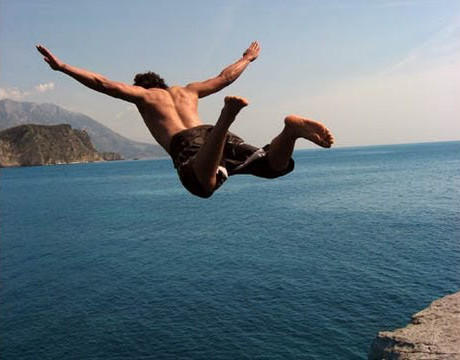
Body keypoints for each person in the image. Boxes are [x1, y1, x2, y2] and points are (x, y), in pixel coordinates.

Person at [36, 42, 334, 198]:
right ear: (163, 82)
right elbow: (224, 78)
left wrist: (63, 67)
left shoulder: (145, 96)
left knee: (202, 186)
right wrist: (246, 58)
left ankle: (225, 118)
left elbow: (104, 84)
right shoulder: (188, 91)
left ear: (141, 86)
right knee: (273, 167)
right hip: (212, 138)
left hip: (191, 145)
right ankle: (290, 130)